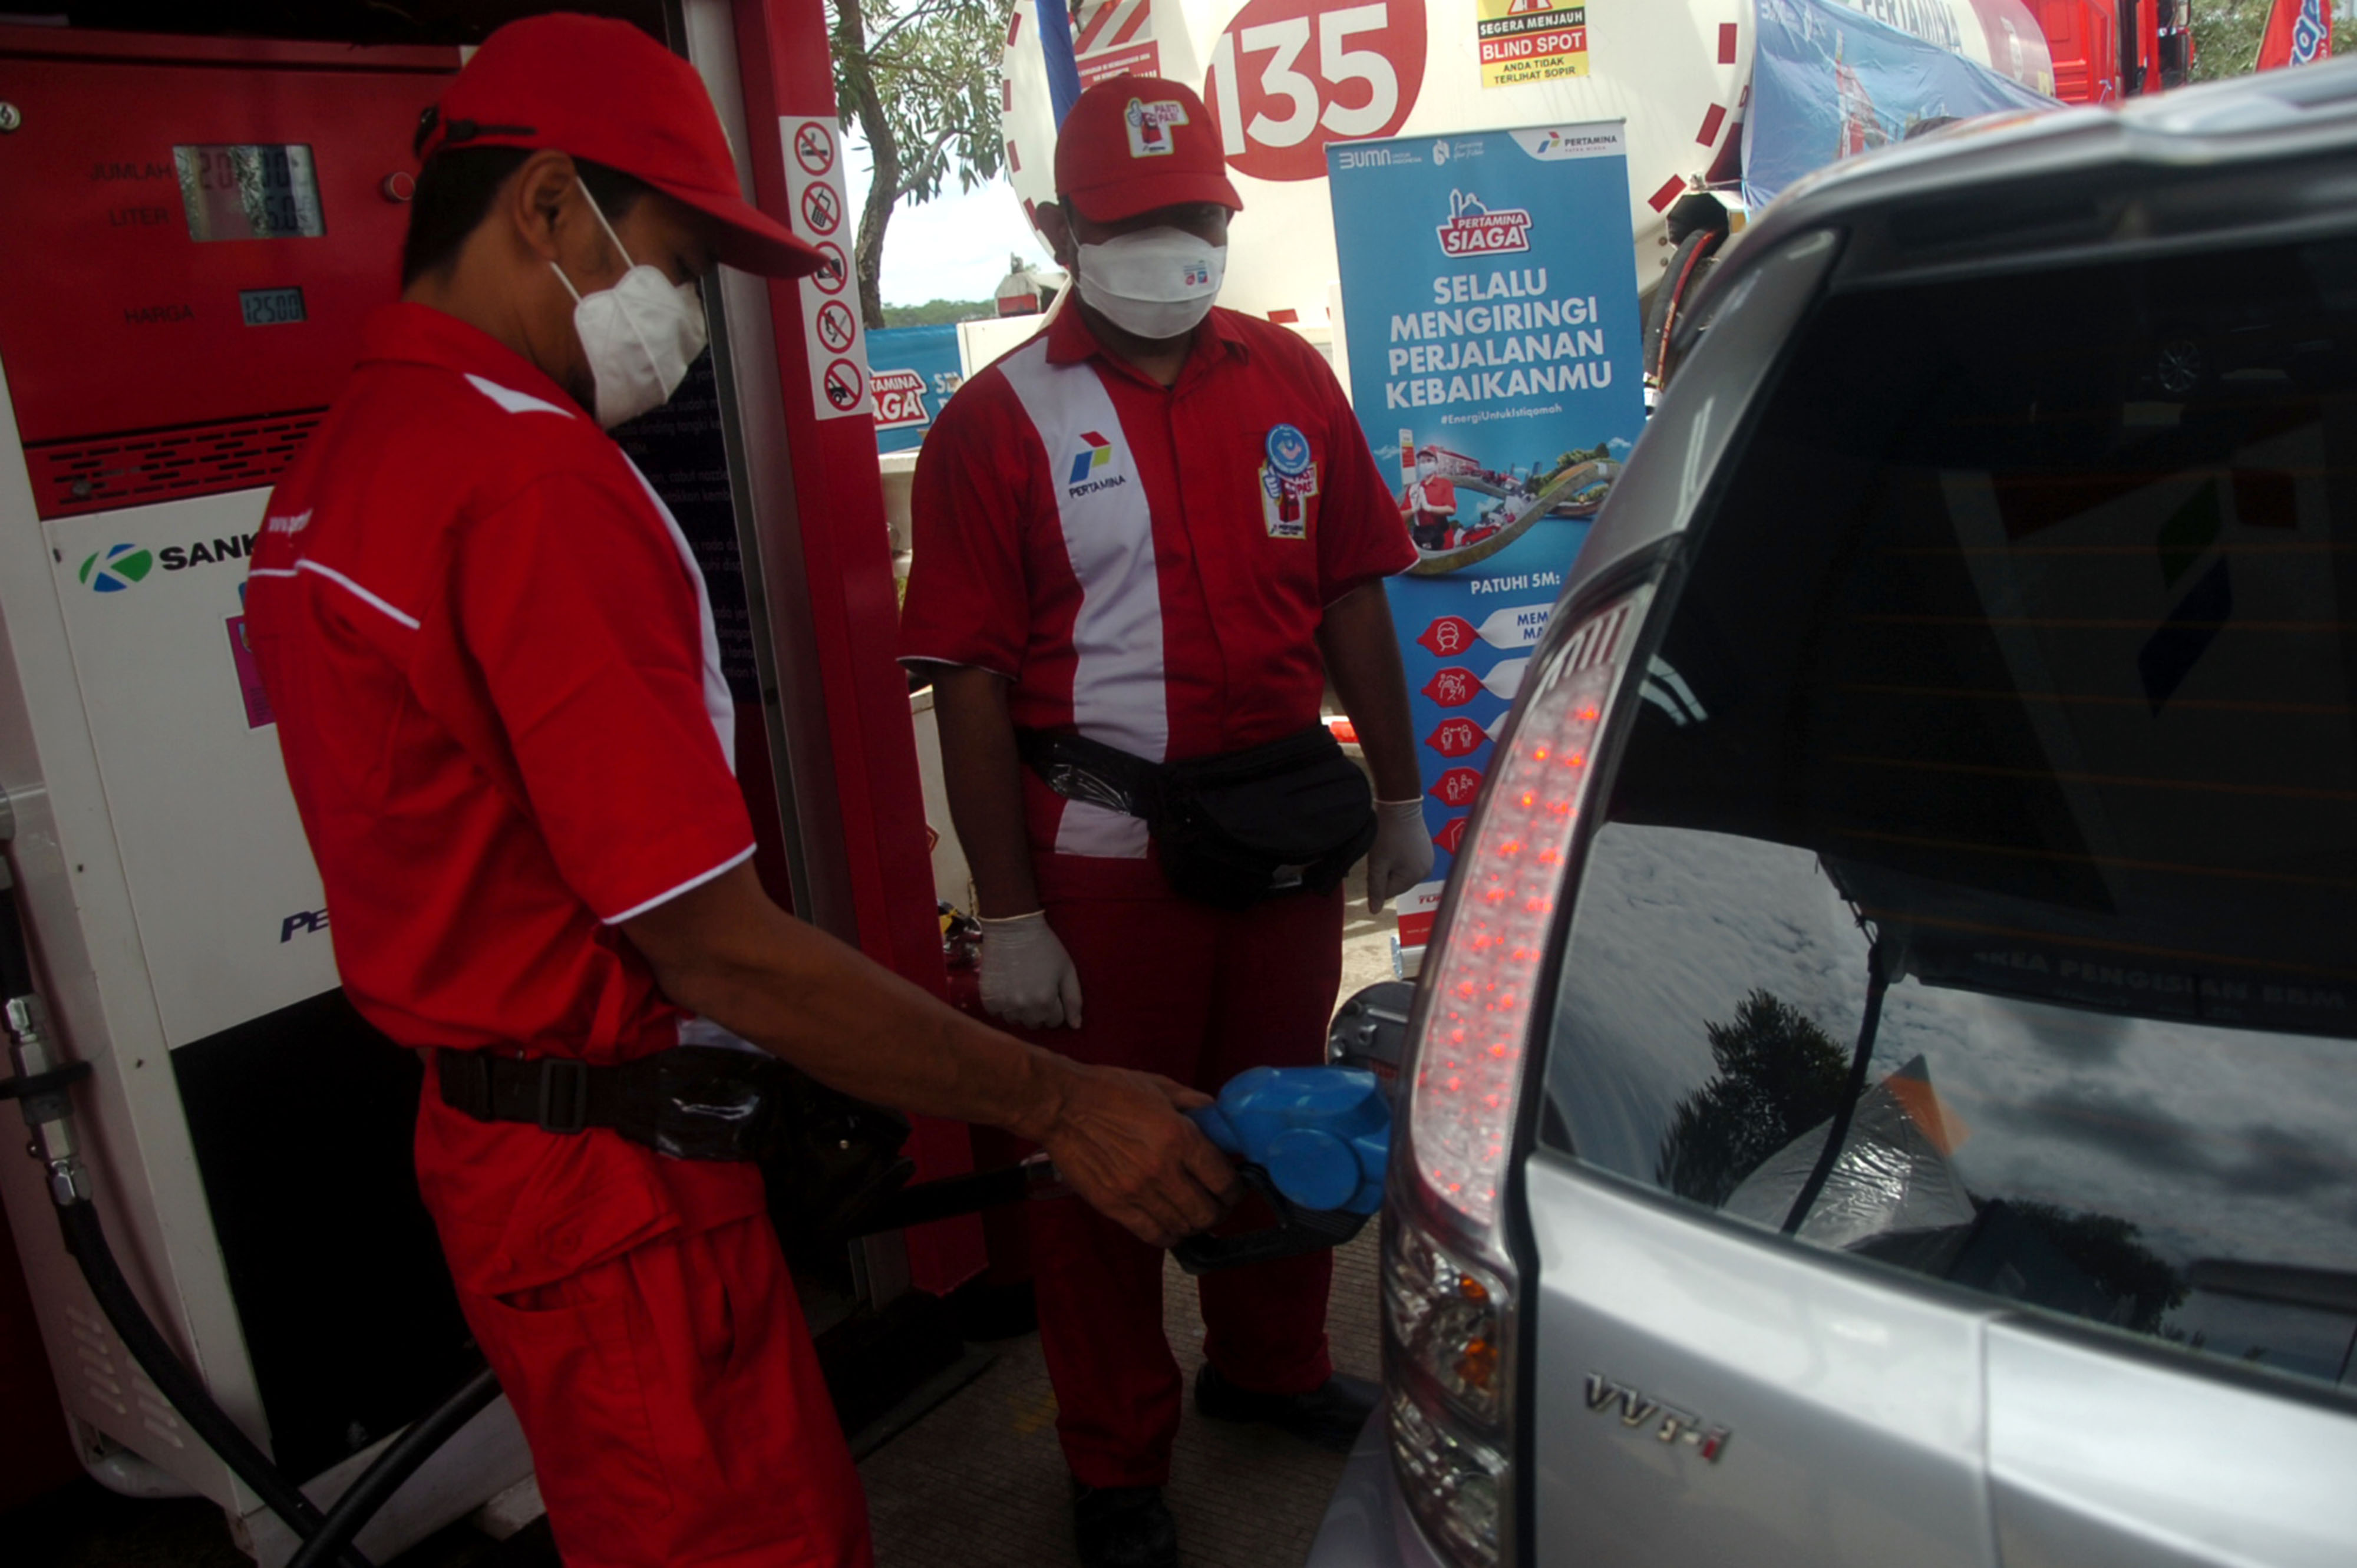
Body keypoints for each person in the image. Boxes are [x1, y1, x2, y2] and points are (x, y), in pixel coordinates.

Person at [243, 18, 1234, 1568]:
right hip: (618, 1194)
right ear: (550, 210)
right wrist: (1060, 1100)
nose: (686, 313)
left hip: (511, 1154)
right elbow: (713, 943)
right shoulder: (529, 484)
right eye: (678, 258)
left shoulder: (352, 454)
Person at [899, 77, 1432, 1568]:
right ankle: (1114, 1456)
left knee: (1288, 1120)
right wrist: (1007, 916)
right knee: (1101, 1170)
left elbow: (1349, 592)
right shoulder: (994, 423)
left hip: (1276, 845)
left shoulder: (1289, 383)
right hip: (1101, 863)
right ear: (1060, 228)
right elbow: (968, 681)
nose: (1172, 245)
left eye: (1193, 215)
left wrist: (1399, 799)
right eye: (1132, 223)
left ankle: (1262, 1366)